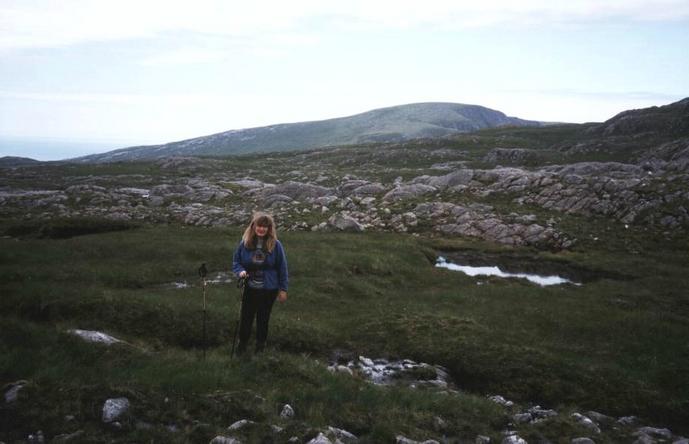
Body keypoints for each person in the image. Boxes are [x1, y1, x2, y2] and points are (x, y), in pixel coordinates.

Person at [232, 212, 288, 354]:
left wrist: (283, 289)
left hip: (269, 289)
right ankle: (242, 346)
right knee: (246, 317)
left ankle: (260, 347)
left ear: (269, 229)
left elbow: (282, 267)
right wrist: (241, 272)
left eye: (265, 226)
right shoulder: (245, 243)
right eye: (259, 226)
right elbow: (236, 261)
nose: (261, 229)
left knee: (263, 318)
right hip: (249, 287)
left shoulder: (276, 245)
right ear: (253, 226)